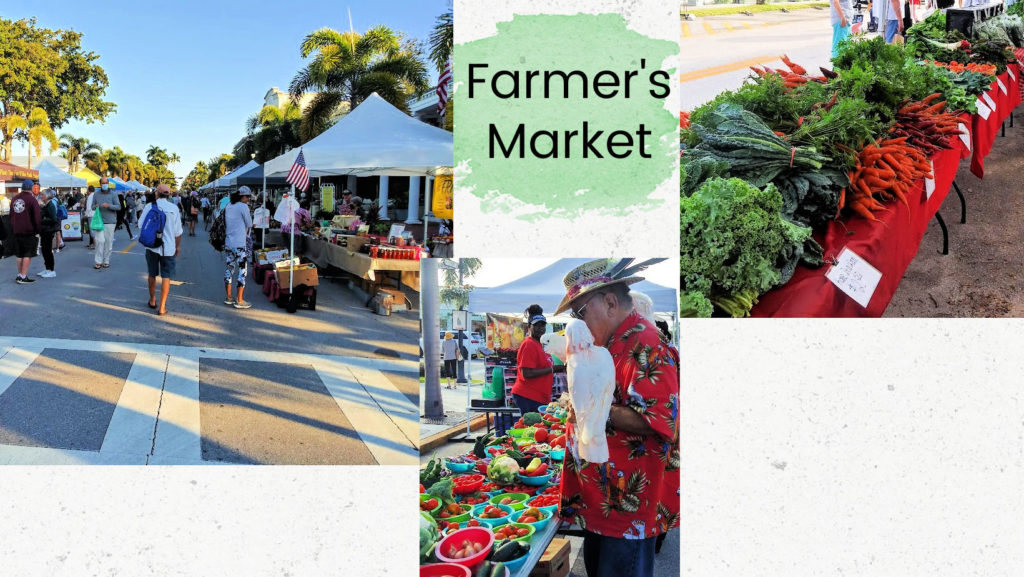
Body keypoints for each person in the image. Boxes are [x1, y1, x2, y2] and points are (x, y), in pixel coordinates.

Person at [554, 258, 679, 577]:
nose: (577, 321)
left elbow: (662, 421)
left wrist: (590, 407)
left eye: (580, 312)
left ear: (610, 302)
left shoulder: (646, 343)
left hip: (628, 508)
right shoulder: (613, 341)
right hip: (606, 500)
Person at [140, 184, 183, 315]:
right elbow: (178, 232)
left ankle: (152, 300)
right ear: (169, 195)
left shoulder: (149, 207)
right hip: (168, 248)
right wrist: (177, 247)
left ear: (156, 194)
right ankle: (162, 307)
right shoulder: (174, 208)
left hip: (152, 246)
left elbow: (141, 224)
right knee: (166, 276)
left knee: (152, 274)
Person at [511, 314, 565, 415]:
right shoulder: (529, 344)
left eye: (543, 326)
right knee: (533, 428)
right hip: (528, 395)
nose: (540, 329)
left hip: (539, 396)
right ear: (529, 327)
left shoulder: (540, 344)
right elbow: (526, 373)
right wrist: (553, 369)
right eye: (536, 326)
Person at [223, 186, 254, 309]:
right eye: (248, 197)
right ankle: (240, 300)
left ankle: (229, 297)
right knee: (242, 270)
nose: (248, 200)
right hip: (240, 243)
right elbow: (249, 223)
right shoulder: (243, 207)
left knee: (229, 269)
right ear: (244, 196)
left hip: (229, 242)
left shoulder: (229, 206)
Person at [9, 179, 41, 284]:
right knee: (27, 254)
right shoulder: (32, 200)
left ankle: (19, 274)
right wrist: (37, 230)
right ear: (31, 188)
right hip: (28, 230)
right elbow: (37, 217)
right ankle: (23, 276)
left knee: (19, 254)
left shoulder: (14, 199)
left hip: (16, 230)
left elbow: (11, 215)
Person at [92, 177, 119, 269]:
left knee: (108, 242)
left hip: (110, 222)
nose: (104, 185)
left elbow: (118, 207)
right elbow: (92, 207)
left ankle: (106, 261)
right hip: (99, 222)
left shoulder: (114, 194)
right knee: (99, 241)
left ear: (108, 183)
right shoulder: (96, 194)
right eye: (103, 183)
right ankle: (98, 261)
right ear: (100, 184)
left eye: (106, 183)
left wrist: (109, 206)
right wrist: (95, 206)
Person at [36, 189, 60, 278]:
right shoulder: (46, 205)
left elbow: (53, 219)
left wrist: (42, 220)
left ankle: (51, 270)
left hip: (48, 231)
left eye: (42, 195)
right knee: (45, 250)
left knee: (48, 250)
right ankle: (47, 268)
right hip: (45, 231)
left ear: (47, 196)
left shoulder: (51, 205)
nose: (41, 196)